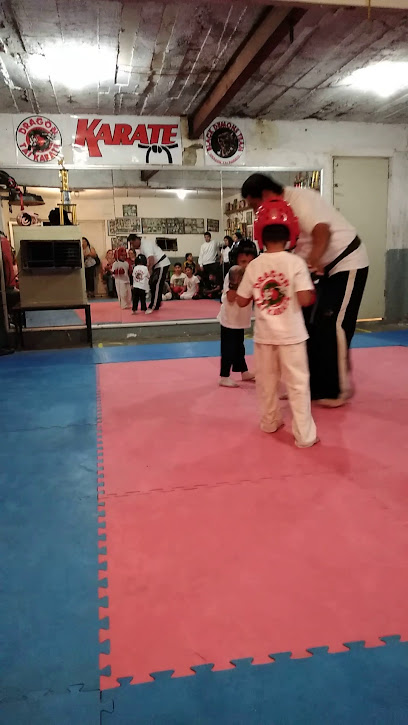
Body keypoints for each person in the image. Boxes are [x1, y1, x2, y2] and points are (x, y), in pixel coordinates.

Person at [241, 173, 369, 407]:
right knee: (306, 326)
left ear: (266, 194)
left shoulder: (299, 199)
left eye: (253, 204)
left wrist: (314, 261)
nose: (254, 210)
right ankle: (306, 387)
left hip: (347, 261)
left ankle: (336, 390)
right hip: (318, 268)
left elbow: (322, 231)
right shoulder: (275, 211)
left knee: (334, 324)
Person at [236, 214, 318, 449]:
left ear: (261, 238)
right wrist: (310, 289)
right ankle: (305, 436)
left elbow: (241, 301)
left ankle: (270, 422)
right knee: (298, 385)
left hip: (265, 336)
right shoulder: (296, 263)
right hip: (292, 335)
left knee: (266, 384)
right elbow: (305, 300)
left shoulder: (254, 265)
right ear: (290, 237)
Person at [218, 242, 257, 388]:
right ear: (236, 261)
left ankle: (243, 371)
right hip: (229, 318)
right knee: (228, 348)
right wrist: (236, 282)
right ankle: (224, 376)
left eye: (250, 261)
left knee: (239, 346)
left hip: (241, 318)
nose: (247, 265)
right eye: (243, 262)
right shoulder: (232, 274)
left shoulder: (251, 275)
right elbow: (230, 298)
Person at [127, 234, 170, 314]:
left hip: (162, 264)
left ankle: (153, 305)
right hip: (156, 265)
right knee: (153, 284)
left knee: (157, 284)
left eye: (132, 243)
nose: (132, 246)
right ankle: (157, 302)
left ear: (136, 240)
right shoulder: (141, 246)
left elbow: (151, 259)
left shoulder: (145, 245)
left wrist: (149, 271)